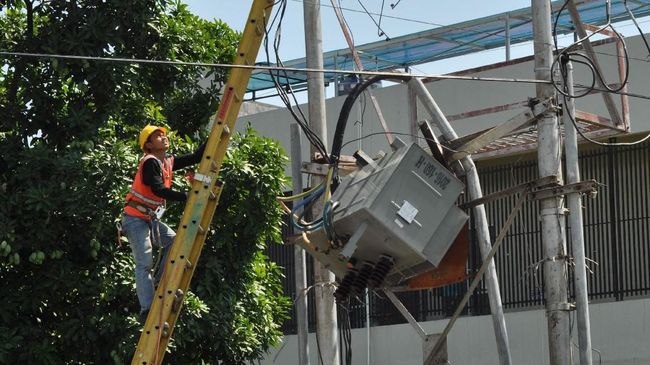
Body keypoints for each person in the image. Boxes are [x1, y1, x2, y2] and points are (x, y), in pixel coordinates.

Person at [121, 125, 205, 323]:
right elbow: (158, 189)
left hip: (148, 218)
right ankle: (147, 309)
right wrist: (186, 196)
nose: (163, 138)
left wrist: (213, 139)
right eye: (157, 136)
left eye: (163, 135)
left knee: (172, 240)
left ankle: (159, 282)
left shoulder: (166, 161)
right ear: (148, 145)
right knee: (144, 263)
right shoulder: (150, 162)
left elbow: (194, 157)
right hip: (135, 219)